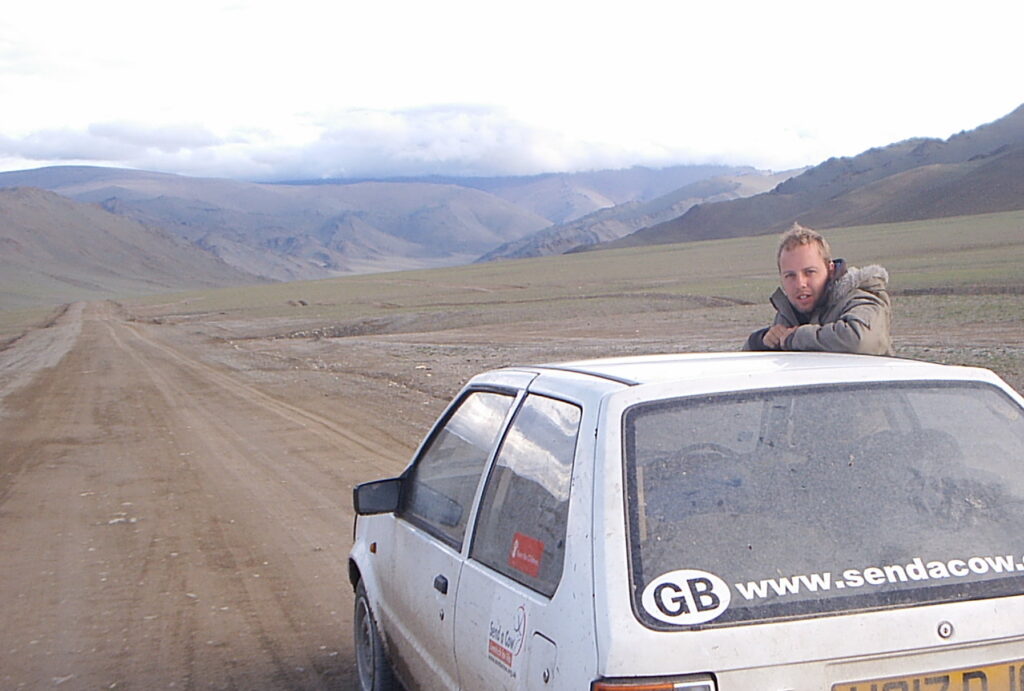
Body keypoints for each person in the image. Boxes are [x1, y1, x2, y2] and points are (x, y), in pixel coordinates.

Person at [744, 223, 893, 355]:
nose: (800, 283)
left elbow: (860, 340)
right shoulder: (790, 313)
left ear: (830, 270)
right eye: (790, 275)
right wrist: (762, 341)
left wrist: (795, 338)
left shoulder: (859, 297)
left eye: (809, 272)